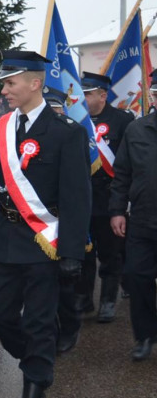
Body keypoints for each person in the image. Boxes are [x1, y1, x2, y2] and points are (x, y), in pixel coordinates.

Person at [0, 51, 91, 398]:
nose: (4, 90)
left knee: (39, 324)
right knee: (0, 315)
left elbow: (77, 197)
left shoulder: (66, 132)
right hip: (5, 240)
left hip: (45, 241)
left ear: (35, 83)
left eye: (10, 83)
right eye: (3, 84)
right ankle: (38, 362)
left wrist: (72, 251)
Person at [77, 71, 134, 322]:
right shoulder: (76, 120)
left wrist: (120, 206)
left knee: (110, 253)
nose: (83, 99)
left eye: (87, 94)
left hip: (109, 197)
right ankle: (84, 298)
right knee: (83, 252)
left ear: (102, 95)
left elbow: (126, 163)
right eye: (81, 94)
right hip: (82, 197)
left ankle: (108, 300)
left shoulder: (122, 120)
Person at [109, 71, 157, 361]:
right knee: (135, 277)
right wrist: (116, 210)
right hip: (142, 219)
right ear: (151, 95)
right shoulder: (137, 130)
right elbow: (122, 173)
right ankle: (145, 335)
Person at [42, 87, 85, 354]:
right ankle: (48, 331)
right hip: (34, 222)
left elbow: (78, 189)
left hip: (62, 219)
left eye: (55, 108)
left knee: (64, 283)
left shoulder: (70, 133)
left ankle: (69, 326)